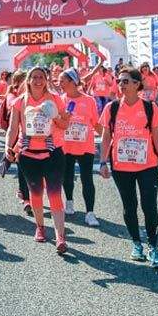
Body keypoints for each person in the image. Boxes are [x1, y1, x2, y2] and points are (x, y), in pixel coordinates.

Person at [99, 68, 158, 268]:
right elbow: (106, 138)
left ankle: (153, 247)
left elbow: (157, 137)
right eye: (119, 81)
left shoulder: (149, 107)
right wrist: (102, 162)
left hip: (147, 165)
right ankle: (136, 243)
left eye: (126, 81)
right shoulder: (111, 108)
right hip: (121, 166)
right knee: (129, 206)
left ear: (137, 84)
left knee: (149, 206)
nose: (121, 85)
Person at [5, 67, 71, 253]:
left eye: (41, 77)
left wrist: (55, 116)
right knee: (35, 194)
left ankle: (60, 236)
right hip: (28, 154)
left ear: (47, 80)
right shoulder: (20, 102)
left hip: (53, 153)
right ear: (28, 80)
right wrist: (7, 147)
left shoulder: (56, 99)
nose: (38, 81)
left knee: (55, 194)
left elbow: (65, 124)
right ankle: (40, 227)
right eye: (34, 77)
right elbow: (13, 128)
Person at [59, 69, 101, 227]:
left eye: (62, 81)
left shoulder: (89, 100)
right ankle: (69, 202)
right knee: (67, 176)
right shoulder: (60, 99)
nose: (60, 84)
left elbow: (96, 123)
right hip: (66, 145)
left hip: (85, 145)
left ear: (72, 82)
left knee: (87, 178)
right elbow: (56, 123)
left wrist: (109, 140)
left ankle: (90, 212)